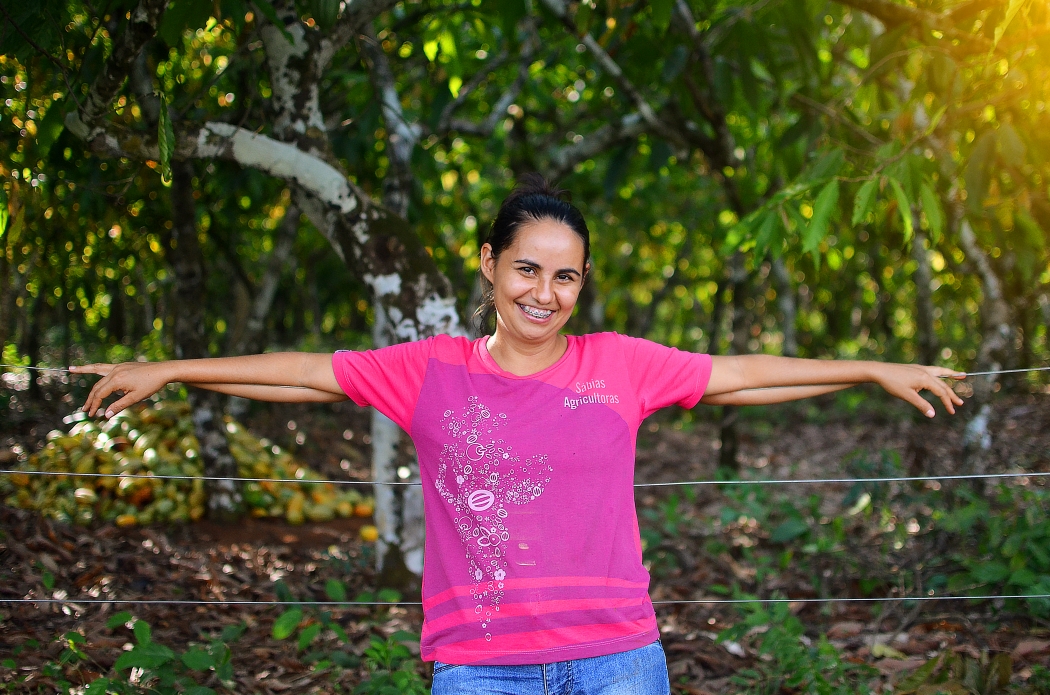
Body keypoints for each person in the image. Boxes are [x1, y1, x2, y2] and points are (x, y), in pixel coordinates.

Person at [73, 175, 964, 695]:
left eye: (566, 276)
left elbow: (736, 373)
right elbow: (306, 369)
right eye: (528, 268)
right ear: (490, 264)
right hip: (480, 667)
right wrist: (173, 369)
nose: (545, 292)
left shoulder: (621, 364)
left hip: (619, 657)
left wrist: (868, 369)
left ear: (583, 284)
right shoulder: (428, 369)